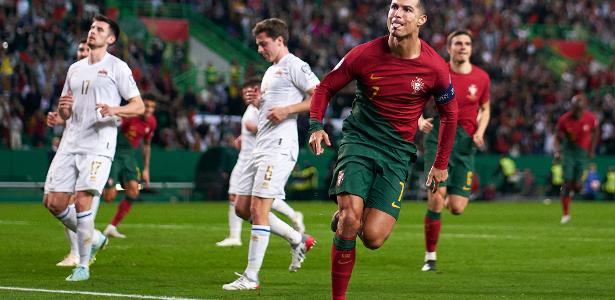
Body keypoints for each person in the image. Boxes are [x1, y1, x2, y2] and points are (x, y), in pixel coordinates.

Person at [308, 1, 458, 298]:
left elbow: (450, 114)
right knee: (351, 218)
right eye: (393, 7)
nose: (397, 14)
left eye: (406, 9)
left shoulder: (435, 67)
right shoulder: (364, 53)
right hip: (359, 142)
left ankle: (344, 218)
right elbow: (325, 87)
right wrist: (315, 125)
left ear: (421, 20)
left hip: (397, 152)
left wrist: (440, 163)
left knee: (374, 238)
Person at [43, 14, 144, 281]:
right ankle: (96, 237)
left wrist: (115, 109)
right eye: (91, 27)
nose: (92, 31)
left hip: (99, 144)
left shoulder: (118, 68)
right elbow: (66, 109)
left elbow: (139, 105)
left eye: (99, 29)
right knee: (53, 202)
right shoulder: (75, 69)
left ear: (110, 39)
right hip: (70, 141)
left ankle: (83, 265)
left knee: (83, 200)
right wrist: (60, 114)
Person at [222, 18, 318, 291]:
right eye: (258, 45)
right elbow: (273, 107)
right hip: (259, 147)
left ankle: (251, 277)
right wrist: (260, 104)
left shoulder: (295, 65)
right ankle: (297, 239)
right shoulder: (271, 71)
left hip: (278, 147)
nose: (260, 49)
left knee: (260, 209)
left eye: (264, 44)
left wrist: (288, 110)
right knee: (242, 208)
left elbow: (320, 95)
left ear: (279, 40)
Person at [417, 29, 490, 271]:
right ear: (449, 48)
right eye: (458, 43)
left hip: (465, 143)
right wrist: (419, 120)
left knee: (457, 208)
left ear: (471, 48)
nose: (463, 47)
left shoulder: (481, 78)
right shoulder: (439, 71)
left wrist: (480, 131)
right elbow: (412, 97)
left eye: (467, 43)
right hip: (437, 138)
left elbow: (485, 108)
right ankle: (430, 257)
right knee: (436, 202)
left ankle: (444, 192)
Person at [217, 77, 306, 247]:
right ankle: (236, 236)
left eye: (248, 92)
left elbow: (269, 127)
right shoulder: (251, 108)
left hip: (257, 158)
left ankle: (292, 222)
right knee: (246, 199)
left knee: (259, 200)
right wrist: (243, 136)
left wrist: (253, 129)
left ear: (258, 90)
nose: (245, 96)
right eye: (244, 93)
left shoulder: (262, 106)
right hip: (245, 157)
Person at [47, 38, 91, 268]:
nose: (82, 52)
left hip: (90, 148)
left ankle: (80, 252)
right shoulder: (73, 77)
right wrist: (57, 118)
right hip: (70, 145)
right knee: (61, 200)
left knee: (73, 200)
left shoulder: (101, 78)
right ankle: (82, 248)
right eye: (80, 49)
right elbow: (65, 112)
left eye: (86, 48)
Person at [101, 95, 158, 238]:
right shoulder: (130, 117)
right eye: (147, 106)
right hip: (114, 153)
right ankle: (83, 197)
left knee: (133, 191)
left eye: (152, 107)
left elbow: (147, 145)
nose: (149, 109)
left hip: (130, 156)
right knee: (109, 198)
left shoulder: (151, 122)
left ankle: (112, 227)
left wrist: (146, 168)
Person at [554, 94, 599, 224]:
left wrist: (591, 150)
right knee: (567, 182)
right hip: (568, 152)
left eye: (579, 109)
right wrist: (558, 150)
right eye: (574, 108)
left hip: (582, 154)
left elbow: (596, 131)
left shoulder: (590, 118)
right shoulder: (564, 119)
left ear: (583, 108)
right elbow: (557, 135)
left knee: (578, 185)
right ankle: (566, 213)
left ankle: (573, 190)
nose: (576, 112)